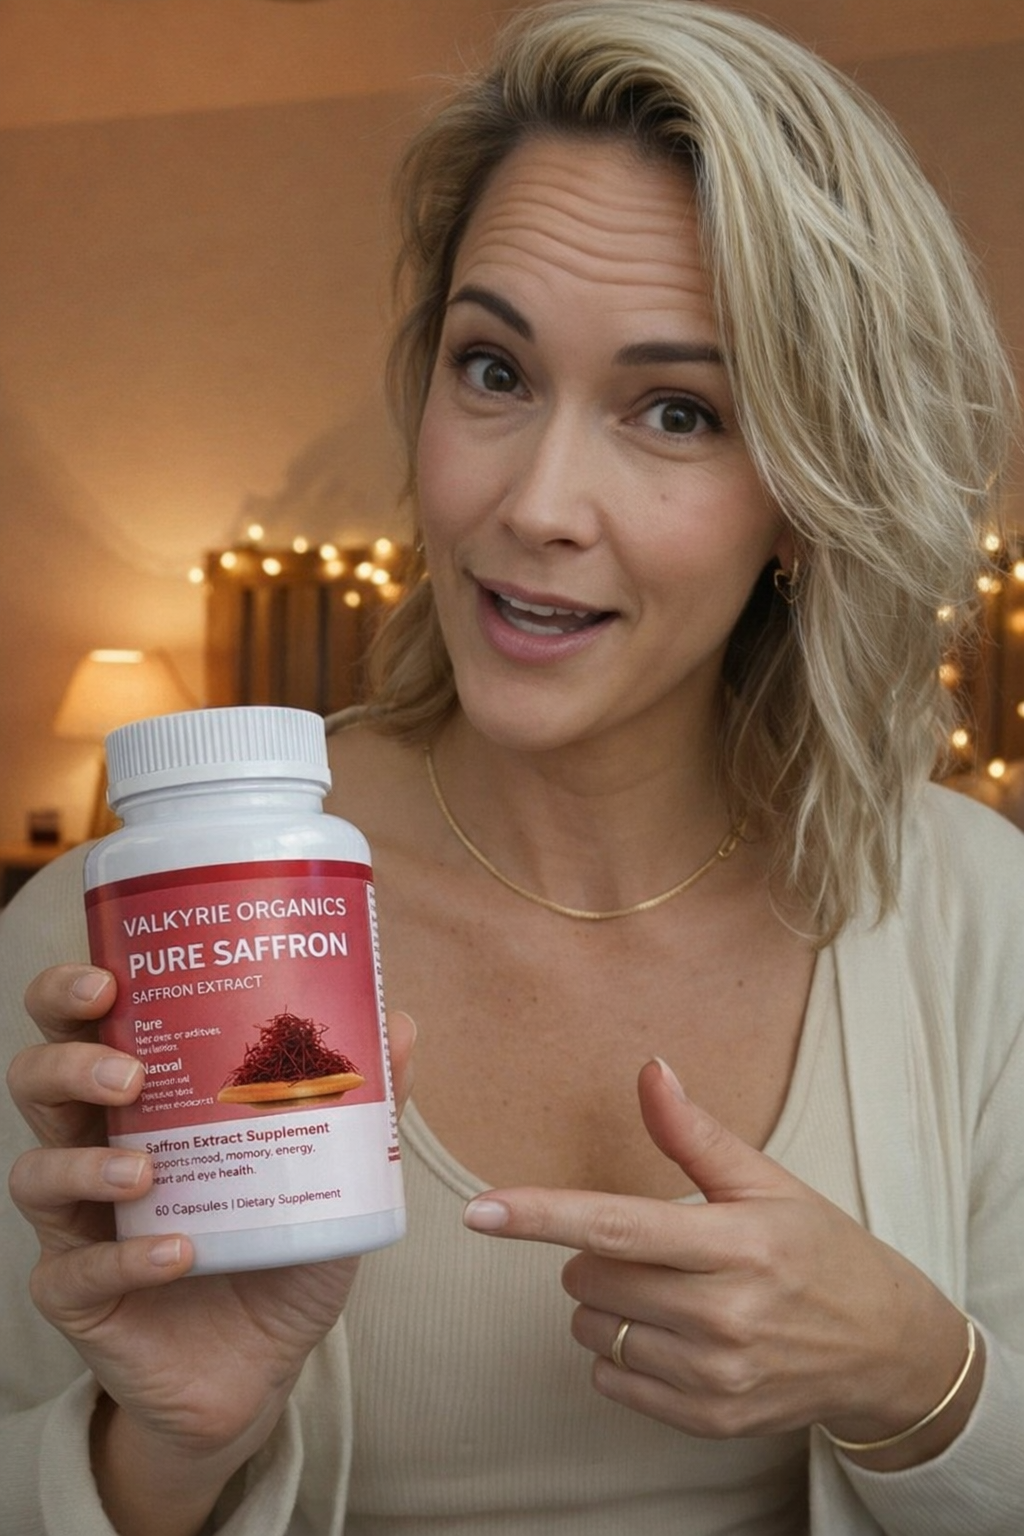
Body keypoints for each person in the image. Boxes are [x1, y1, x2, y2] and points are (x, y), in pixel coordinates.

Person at [2, 2, 1022, 1532]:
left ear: (811, 496)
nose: (537, 503)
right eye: (494, 370)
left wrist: (918, 1375)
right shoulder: (124, 946)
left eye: (676, 410)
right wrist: (164, 1453)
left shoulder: (979, 921)